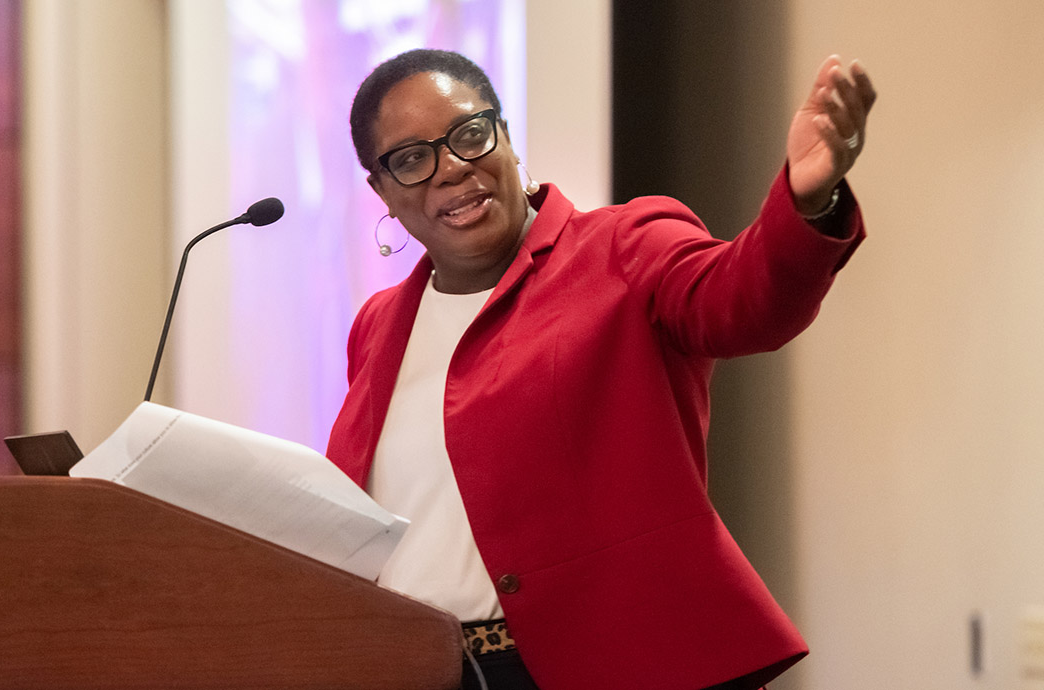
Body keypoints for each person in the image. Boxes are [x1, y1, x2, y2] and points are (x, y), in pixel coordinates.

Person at [326, 49, 875, 690]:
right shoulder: (378, 324)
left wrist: (807, 202)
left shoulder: (625, 245)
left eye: (470, 135)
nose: (451, 168)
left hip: (595, 669)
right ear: (382, 190)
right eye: (412, 159)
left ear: (504, 135)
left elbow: (743, 303)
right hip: (415, 668)